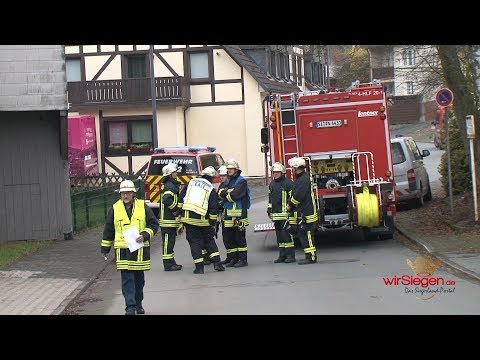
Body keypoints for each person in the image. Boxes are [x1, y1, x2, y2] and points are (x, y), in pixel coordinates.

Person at [100, 179, 159, 315]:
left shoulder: (143, 207)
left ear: (133, 194)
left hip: (139, 250)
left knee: (139, 280)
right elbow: (109, 229)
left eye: (128, 193)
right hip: (122, 250)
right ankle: (130, 307)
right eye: (123, 193)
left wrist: (144, 235)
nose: (125, 196)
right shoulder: (115, 208)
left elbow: (154, 225)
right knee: (127, 280)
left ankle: (138, 304)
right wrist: (105, 248)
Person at [179, 166, 225, 274]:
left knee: (194, 243)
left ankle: (199, 268)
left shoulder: (191, 182)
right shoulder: (210, 188)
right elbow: (213, 208)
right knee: (209, 240)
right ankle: (217, 264)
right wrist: (212, 224)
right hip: (203, 220)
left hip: (189, 218)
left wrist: (179, 213)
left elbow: (181, 198)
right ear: (211, 177)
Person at [217, 159, 250, 268]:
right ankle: (233, 258)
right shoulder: (229, 180)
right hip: (229, 215)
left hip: (239, 215)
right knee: (229, 238)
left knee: (239, 238)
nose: (229, 171)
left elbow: (235, 195)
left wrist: (226, 194)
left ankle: (243, 260)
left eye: (231, 169)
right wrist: (227, 191)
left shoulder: (241, 181)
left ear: (236, 169)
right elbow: (220, 192)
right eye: (228, 169)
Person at [287, 157, 318, 265]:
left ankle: (311, 257)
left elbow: (298, 195)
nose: (292, 170)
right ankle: (308, 256)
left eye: (293, 168)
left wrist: (290, 204)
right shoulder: (301, 178)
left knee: (307, 234)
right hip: (303, 212)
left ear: (296, 168)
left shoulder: (303, 179)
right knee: (303, 234)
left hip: (307, 213)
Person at [267, 162, 296, 263]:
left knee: (286, 236)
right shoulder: (272, 184)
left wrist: (291, 210)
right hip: (276, 215)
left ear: (282, 172)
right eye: (274, 172)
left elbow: (293, 198)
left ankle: (290, 256)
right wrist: (269, 210)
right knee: (279, 237)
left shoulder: (288, 183)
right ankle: (282, 255)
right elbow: (270, 199)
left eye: (277, 172)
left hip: (285, 215)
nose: (275, 174)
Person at [159, 163, 183, 271]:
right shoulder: (170, 185)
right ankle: (168, 264)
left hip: (169, 221)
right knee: (168, 243)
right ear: (170, 174)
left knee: (170, 242)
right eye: (174, 172)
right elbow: (166, 199)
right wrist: (175, 210)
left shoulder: (170, 184)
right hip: (167, 220)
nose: (176, 174)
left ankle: (171, 262)